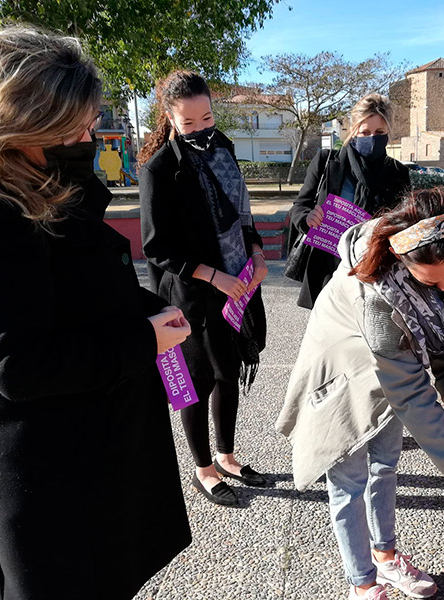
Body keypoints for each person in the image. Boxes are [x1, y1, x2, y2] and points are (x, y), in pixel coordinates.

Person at [0, 26, 192, 600]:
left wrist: (154, 311)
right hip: (45, 468)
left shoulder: (50, 181)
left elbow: (81, 286)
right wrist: (142, 341)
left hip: (95, 442)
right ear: (21, 120)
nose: (88, 134)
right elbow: (19, 362)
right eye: (75, 122)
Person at [277, 188, 444, 600]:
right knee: (348, 478)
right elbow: (413, 398)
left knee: (386, 462)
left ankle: (386, 557)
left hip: (395, 363)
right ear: (402, 260)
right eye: (434, 279)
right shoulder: (380, 296)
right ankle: (362, 582)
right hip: (345, 371)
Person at [139, 70, 268, 507]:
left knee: (228, 371)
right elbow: (156, 247)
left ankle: (227, 455)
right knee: (197, 380)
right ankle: (203, 469)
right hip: (193, 292)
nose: (201, 129)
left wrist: (258, 254)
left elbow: (243, 210)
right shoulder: (160, 170)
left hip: (238, 283)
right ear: (171, 121)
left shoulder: (224, 147)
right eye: (189, 123)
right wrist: (214, 276)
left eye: (207, 118)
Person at [289, 93, 411, 308]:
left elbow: (405, 222)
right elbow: (300, 205)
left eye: (379, 132)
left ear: (388, 133)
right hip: (328, 267)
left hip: (375, 272)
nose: (372, 137)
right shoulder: (327, 162)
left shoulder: (397, 172)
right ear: (353, 131)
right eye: (365, 132)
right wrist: (308, 217)